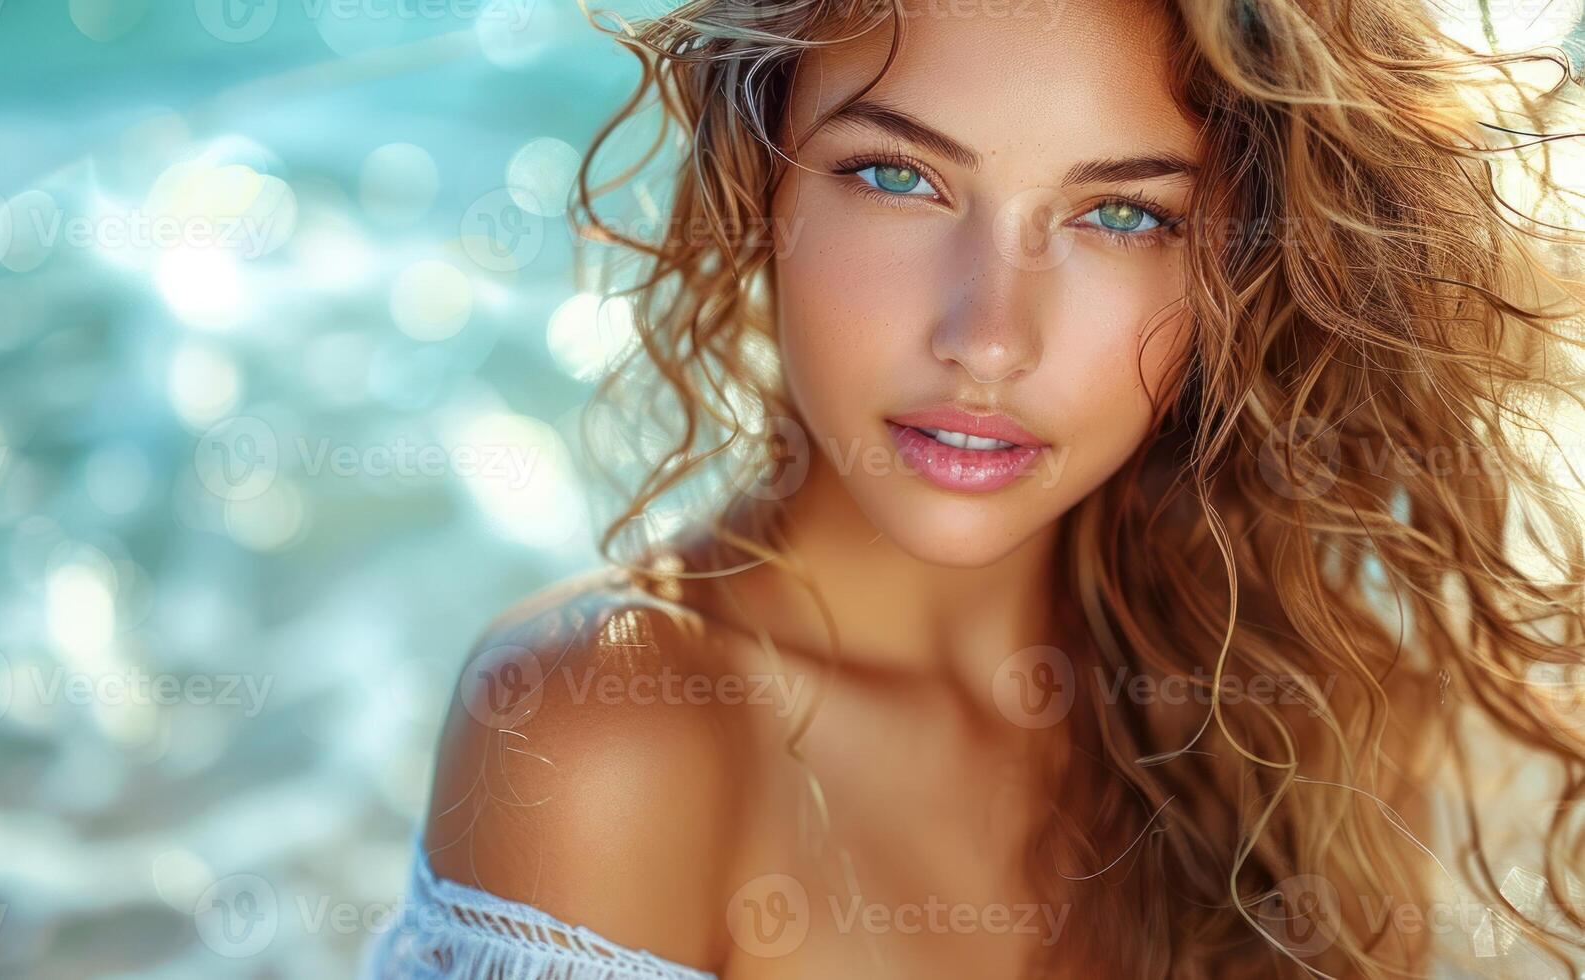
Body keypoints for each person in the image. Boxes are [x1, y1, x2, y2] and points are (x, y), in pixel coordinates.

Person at [372, 0, 1585, 975]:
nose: (991, 337)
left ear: (1246, 263)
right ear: (760, 177)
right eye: (899, 177)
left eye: (1121, 214)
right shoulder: (610, 734)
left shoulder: (1309, 716)